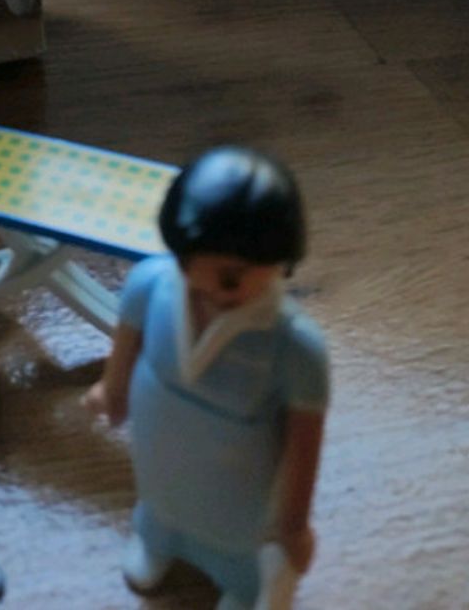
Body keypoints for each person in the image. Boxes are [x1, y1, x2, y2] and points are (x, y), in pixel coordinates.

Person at [85, 146, 329, 610]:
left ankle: (241, 582)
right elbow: (127, 340)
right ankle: (157, 542)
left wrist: (294, 523)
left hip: (239, 471)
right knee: (159, 503)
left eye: (231, 277)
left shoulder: (293, 347)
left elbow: (305, 441)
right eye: (187, 263)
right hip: (159, 438)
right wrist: (112, 390)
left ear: (278, 260)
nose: (204, 286)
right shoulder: (151, 284)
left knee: (234, 535)